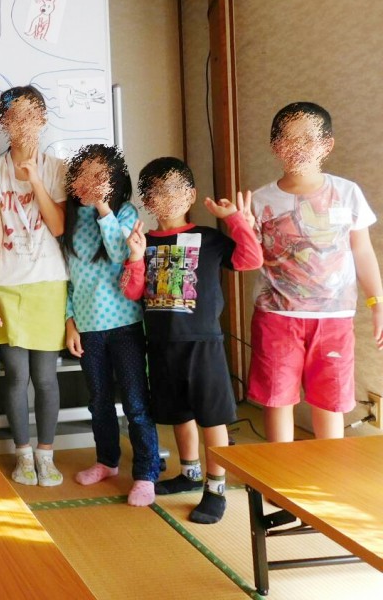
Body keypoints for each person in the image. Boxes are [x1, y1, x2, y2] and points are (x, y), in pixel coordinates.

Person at [122, 157, 262, 524]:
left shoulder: (209, 238)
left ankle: (215, 488)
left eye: (174, 189)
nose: (166, 197)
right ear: (146, 200)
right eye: (156, 191)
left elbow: (250, 260)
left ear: (191, 195)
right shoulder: (143, 242)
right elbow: (133, 293)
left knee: (211, 418)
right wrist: (135, 257)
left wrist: (235, 220)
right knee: (177, 414)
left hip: (203, 343)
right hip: (161, 343)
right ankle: (189, 472)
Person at [248, 103, 383, 442]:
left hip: (334, 319)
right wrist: (240, 226)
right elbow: (248, 258)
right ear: (275, 146)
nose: (298, 147)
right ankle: (280, 471)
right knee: (277, 399)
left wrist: (377, 303)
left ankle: (329, 469)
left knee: (330, 401)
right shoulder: (260, 200)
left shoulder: (347, 193)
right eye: (287, 139)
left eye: (308, 139)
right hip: (276, 317)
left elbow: (362, 250)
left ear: (327, 145)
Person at [60, 144, 160, 506]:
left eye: (99, 175)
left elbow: (122, 254)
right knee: (98, 401)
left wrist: (103, 206)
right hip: (88, 328)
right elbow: (69, 278)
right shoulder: (70, 217)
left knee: (135, 402)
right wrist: (70, 321)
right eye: (83, 173)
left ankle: (146, 473)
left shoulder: (125, 212)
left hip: (125, 326)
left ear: (114, 180)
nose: (89, 180)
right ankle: (107, 461)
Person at [0, 86, 66, 488]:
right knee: (15, 375)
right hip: (8, 284)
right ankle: (23, 454)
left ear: (43, 120)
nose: (24, 123)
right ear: (3, 122)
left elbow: (59, 226)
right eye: (15, 115)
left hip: (48, 282)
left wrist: (36, 181)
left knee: (45, 377)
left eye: (32, 114)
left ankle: (46, 454)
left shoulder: (57, 168)